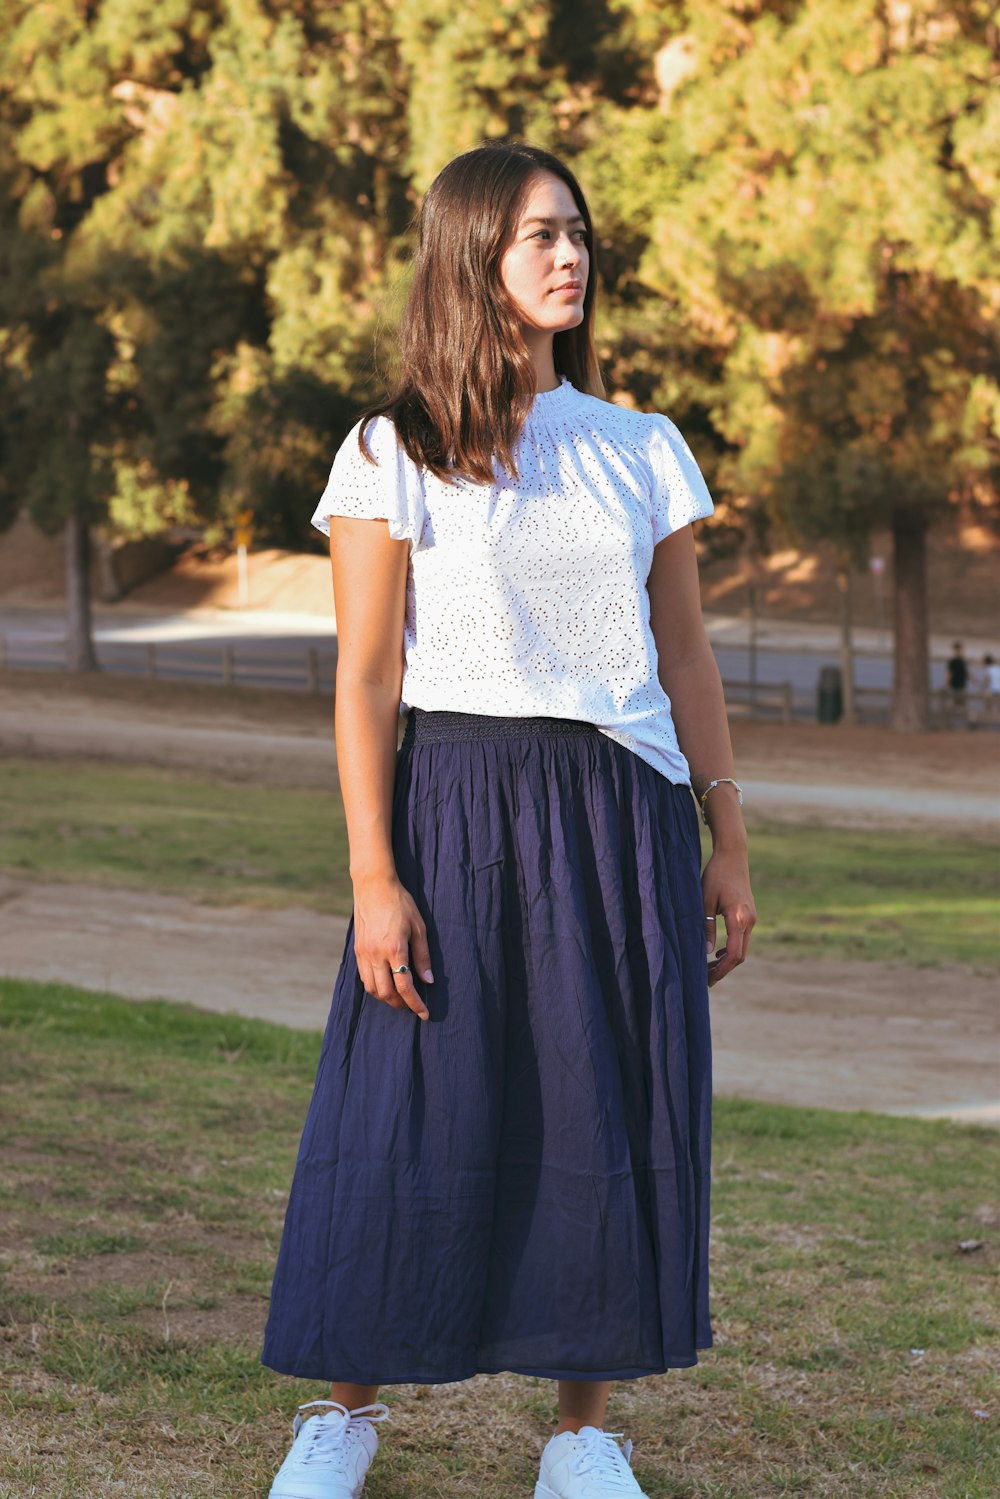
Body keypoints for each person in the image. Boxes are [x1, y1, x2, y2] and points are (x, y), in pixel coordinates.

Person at [261, 141, 756, 1499]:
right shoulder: (391, 449)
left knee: (601, 1102)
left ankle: (580, 1432)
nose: (569, 254)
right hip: (456, 803)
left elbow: (688, 656)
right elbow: (365, 674)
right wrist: (374, 869)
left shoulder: (642, 448)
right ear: (471, 253)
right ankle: (345, 1413)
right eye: (538, 232)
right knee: (410, 1099)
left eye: (578, 231)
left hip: (624, 807)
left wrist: (726, 833)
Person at [945, 640, 969, 728]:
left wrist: (977, 682)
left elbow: (966, 674)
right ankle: (949, 723)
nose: (962, 651)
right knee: (952, 705)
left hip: (962, 686)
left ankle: (967, 723)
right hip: (954, 686)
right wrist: (946, 685)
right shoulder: (952, 661)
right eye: (961, 649)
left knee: (964, 705)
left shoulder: (963, 661)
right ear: (956, 650)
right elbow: (949, 674)